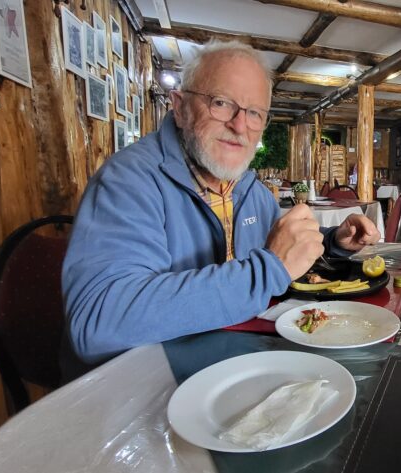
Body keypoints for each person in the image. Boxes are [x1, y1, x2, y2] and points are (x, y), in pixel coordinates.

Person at [61, 41, 380, 372]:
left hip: (230, 365)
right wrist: (267, 271)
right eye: (221, 103)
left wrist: (332, 241)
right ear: (180, 108)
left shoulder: (249, 188)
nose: (240, 126)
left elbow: (278, 251)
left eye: (255, 113)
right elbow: (98, 322)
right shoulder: (128, 180)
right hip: (143, 382)